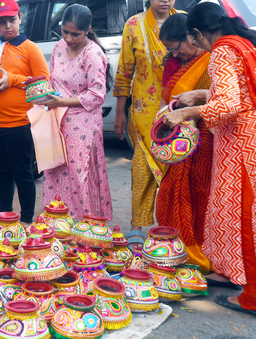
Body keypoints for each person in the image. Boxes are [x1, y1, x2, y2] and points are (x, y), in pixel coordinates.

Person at [163, 2, 256, 315]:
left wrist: (186, 112)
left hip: (239, 147)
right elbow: (237, 94)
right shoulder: (242, 44)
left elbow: (228, 106)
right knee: (226, 211)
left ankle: (252, 297)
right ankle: (230, 273)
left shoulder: (222, 51)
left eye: (194, 38)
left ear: (199, 33)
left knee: (243, 219)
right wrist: (201, 95)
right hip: (239, 142)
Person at [113, 0, 178, 248]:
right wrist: (120, 112)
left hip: (177, 108)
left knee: (175, 169)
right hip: (142, 112)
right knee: (141, 168)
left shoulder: (183, 20)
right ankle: (136, 225)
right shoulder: (134, 25)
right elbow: (125, 71)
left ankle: (171, 224)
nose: (165, 0)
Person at [0, 0, 50, 226]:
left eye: (11, 20)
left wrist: (12, 80)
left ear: (20, 18)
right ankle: (5, 218)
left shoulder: (30, 48)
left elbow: (43, 85)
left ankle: (27, 221)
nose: (8, 26)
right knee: (1, 173)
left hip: (19, 123)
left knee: (22, 174)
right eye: (2, 22)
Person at [41, 4, 113, 221]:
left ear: (88, 29)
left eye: (75, 34)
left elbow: (97, 94)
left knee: (80, 176)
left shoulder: (92, 54)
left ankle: (86, 229)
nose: (69, 38)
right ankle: (58, 226)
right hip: (57, 120)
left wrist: (61, 101)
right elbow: (53, 80)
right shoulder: (59, 47)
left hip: (83, 125)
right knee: (55, 172)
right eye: (65, 31)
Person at [154, 13, 213, 273]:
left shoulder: (211, 60)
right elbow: (168, 94)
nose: (176, 54)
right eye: (171, 51)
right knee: (172, 192)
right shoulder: (175, 62)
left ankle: (200, 249)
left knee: (201, 192)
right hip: (179, 138)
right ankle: (174, 243)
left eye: (177, 48)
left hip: (205, 138)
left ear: (192, 37)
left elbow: (223, 102)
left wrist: (191, 105)